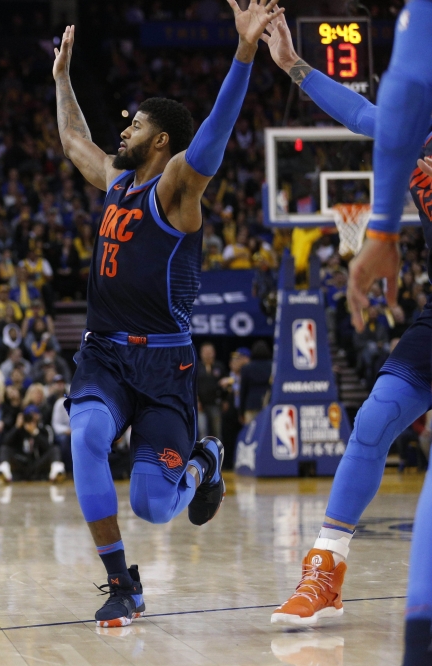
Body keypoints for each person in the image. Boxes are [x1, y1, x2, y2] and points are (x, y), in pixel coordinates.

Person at [53, 0, 279, 627]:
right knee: (88, 437)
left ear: (159, 140)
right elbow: (74, 139)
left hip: (163, 360)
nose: (119, 132)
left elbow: (214, 133)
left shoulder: (177, 186)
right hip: (103, 349)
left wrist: (242, 53)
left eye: (132, 126)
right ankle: (121, 581)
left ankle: (206, 459)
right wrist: (62, 79)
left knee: (154, 505)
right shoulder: (116, 181)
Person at [261, 17, 432, 654]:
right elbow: (360, 111)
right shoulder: (413, 130)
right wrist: (295, 67)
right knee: (372, 420)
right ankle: (324, 571)